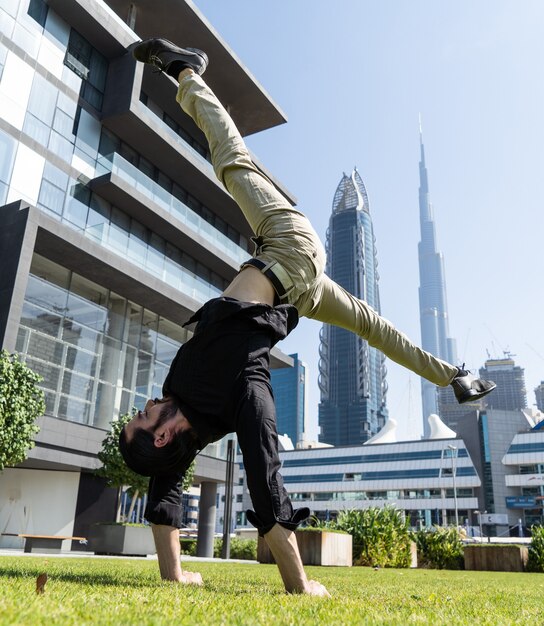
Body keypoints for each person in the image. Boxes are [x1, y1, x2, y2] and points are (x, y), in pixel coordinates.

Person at [119, 38, 496, 596]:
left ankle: (454, 377)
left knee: (376, 328)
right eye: (142, 417)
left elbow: (166, 489)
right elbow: (263, 469)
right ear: (161, 437)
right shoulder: (232, 387)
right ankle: (188, 72)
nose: (145, 405)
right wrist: (300, 585)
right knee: (231, 161)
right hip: (290, 256)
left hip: (291, 280)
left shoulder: (188, 406)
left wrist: (174, 573)